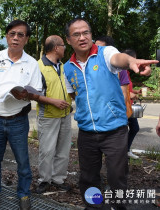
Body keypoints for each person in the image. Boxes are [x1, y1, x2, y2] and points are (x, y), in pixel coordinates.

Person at [63, 18, 158, 209]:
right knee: (89, 179)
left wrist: (131, 61)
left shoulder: (105, 53)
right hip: (87, 133)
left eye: (86, 33)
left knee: (117, 178)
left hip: (114, 131)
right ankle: (94, 206)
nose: (82, 37)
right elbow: (75, 94)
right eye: (76, 34)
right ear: (68, 40)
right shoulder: (67, 68)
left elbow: (119, 59)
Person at [0, 19, 42, 210]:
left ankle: (24, 194)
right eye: (12, 34)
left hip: (18, 120)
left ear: (26, 39)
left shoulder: (32, 63)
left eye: (20, 35)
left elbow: (36, 92)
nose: (15, 38)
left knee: (23, 161)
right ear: (6, 36)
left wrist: (26, 95)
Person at [35, 35, 72, 194]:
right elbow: (33, 94)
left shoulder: (64, 66)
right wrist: (53, 102)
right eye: (63, 45)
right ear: (56, 47)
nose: (65, 48)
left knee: (63, 150)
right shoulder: (38, 67)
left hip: (65, 114)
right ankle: (44, 180)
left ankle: (58, 179)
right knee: (47, 150)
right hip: (48, 115)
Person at [123, 49, 143, 159]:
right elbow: (119, 90)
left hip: (129, 106)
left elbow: (128, 88)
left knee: (134, 128)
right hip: (122, 107)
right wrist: (131, 95)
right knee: (122, 131)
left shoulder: (127, 72)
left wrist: (135, 92)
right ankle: (120, 153)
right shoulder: (119, 71)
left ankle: (126, 150)